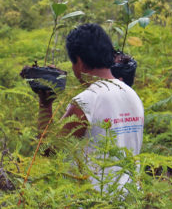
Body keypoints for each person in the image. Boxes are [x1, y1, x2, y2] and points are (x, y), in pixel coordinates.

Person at [33, 23, 144, 193]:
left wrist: (45, 103)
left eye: (73, 62)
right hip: (131, 202)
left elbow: (48, 149)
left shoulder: (87, 100)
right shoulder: (132, 95)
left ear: (80, 62)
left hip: (94, 206)